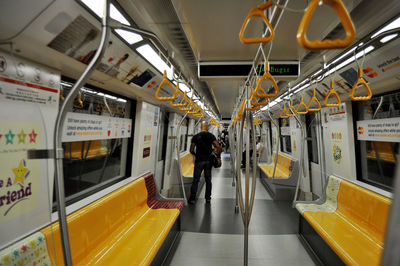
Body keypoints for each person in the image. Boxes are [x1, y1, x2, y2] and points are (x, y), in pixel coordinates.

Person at [189, 121, 221, 204]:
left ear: (200, 127)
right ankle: (208, 198)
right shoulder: (211, 136)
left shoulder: (195, 137)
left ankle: (192, 198)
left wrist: (196, 155)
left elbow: (191, 150)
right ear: (207, 127)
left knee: (196, 180)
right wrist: (218, 157)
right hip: (208, 161)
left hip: (199, 161)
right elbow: (218, 146)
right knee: (208, 180)